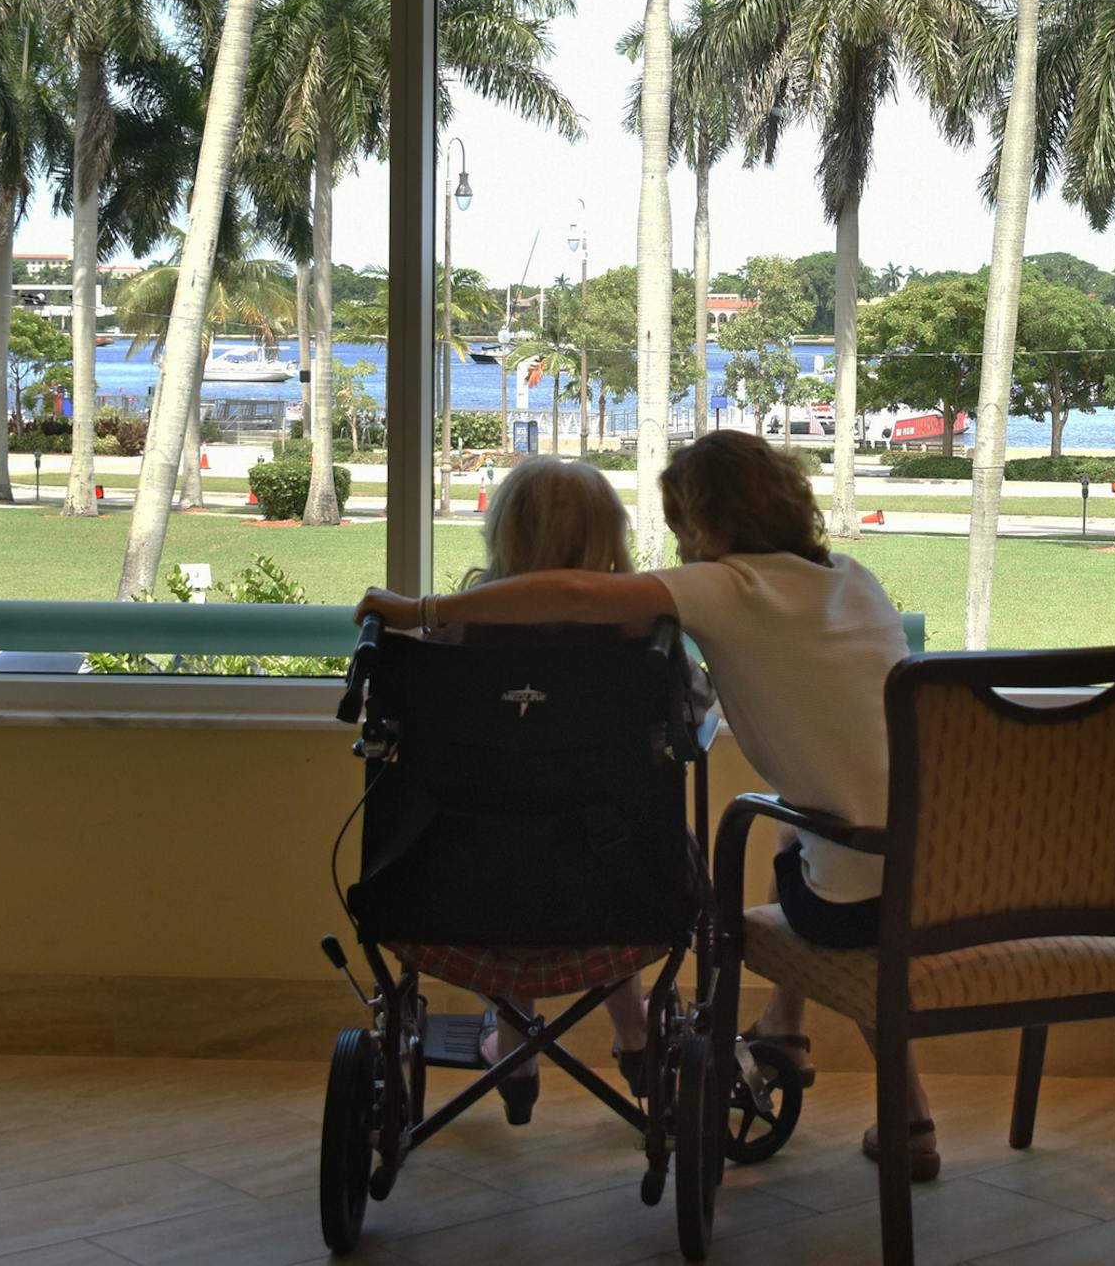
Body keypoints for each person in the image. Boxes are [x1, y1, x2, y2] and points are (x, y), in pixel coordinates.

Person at [357, 430, 939, 1178]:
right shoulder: (856, 580)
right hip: (942, 877)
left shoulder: (728, 586)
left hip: (459, 890)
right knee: (806, 841)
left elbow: (567, 591)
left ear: (701, 526)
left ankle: (797, 1040)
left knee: (811, 849)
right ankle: (804, 1047)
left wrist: (421, 609)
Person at [415, 456, 707, 1123]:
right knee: (609, 829)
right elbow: (698, 704)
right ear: (610, 535)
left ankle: (515, 1043)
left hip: (467, 880)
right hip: (617, 878)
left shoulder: (457, 630)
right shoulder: (644, 639)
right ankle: (634, 1032)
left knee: (515, 831)